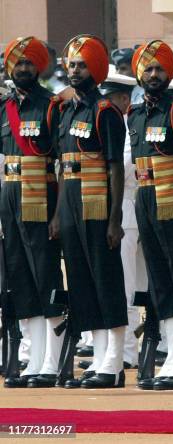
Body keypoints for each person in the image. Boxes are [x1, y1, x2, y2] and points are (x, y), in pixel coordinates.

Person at [128, 40, 173, 391]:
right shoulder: (137, 112)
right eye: (148, 68)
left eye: (159, 69)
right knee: (158, 279)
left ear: (169, 74)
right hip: (145, 198)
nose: (153, 75)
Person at [57, 34, 128, 389]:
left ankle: (114, 361)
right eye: (71, 64)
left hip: (98, 205)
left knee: (106, 280)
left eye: (82, 64)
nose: (74, 70)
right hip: (70, 206)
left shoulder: (106, 112)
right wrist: (57, 215)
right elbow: (61, 166)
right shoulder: (67, 109)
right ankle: (100, 359)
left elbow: (116, 167)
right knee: (83, 283)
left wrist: (115, 220)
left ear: (96, 69)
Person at [0, 36, 64, 388]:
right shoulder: (3, 108)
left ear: (39, 67)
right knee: (21, 280)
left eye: (29, 63)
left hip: (42, 200)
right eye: (17, 62)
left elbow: (61, 164)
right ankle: (33, 360)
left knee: (45, 277)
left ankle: (52, 361)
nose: (23, 68)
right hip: (10, 202)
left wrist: (58, 215)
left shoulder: (51, 105)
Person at [99, 68, 144, 370]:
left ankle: (128, 350)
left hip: (129, 209)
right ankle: (118, 347)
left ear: (124, 99)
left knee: (127, 285)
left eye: (110, 98)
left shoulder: (131, 128)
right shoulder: (105, 125)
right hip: (113, 209)